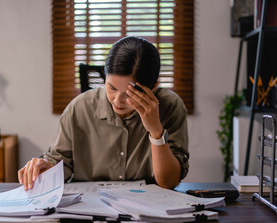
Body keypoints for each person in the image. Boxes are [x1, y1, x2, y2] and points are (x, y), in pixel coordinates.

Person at [18, 36, 189, 190]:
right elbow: (60, 161)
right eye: (111, 88)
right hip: (89, 209)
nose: (117, 100)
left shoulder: (171, 107)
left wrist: (156, 132)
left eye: (129, 93)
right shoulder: (79, 108)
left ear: (152, 87)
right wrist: (46, 167)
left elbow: (168, 182)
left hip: (149, 214)